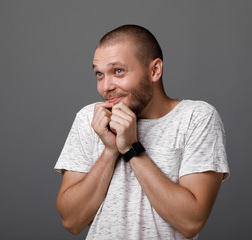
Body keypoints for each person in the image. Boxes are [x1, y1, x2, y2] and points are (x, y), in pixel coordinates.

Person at [54, 24, 229, 240]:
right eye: (99, 74)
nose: (105, 87)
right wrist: (110, 150)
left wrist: (131, 148)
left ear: (154, 70)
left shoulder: (196, 117)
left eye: (118, 71)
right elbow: (71, 221)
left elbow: (191, 222)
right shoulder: (90, 119)